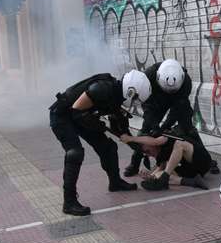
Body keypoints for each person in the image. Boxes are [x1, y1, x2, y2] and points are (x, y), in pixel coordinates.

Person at [49, 70, 150, 216]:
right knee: (75, 153)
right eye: (136, 99)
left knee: (108, 147)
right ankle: (69, 202)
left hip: (81, 117)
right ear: (130, 91)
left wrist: (138, 146)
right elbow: (76, 110)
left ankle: (115, 183)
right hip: (62, 116)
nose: (135, 103)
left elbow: (120, 128)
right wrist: (99, 125)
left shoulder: (117, 96)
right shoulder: (102, 89)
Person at [123, 59, 219, 176]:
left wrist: (165, 127)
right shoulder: (148, 76)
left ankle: (206, 160)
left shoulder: (185, 82)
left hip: (177, 101)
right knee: (146, 130)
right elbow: (147, 106)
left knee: (188, 129)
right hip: (155, 102)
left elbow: (177, 109)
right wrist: (155, 126)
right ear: (158, 78)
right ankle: (134, 164)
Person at [120, 130, 211, 190]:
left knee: (180, 144)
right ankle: (192, 182)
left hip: (202, 160)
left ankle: (164, 179)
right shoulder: (160, 156)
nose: (148, 154)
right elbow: (160, 168)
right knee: (159, 175)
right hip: (193, 172)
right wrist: (150, 176)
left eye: (147, 151)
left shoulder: (164, 136)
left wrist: (131, 138)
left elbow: (155, 142)